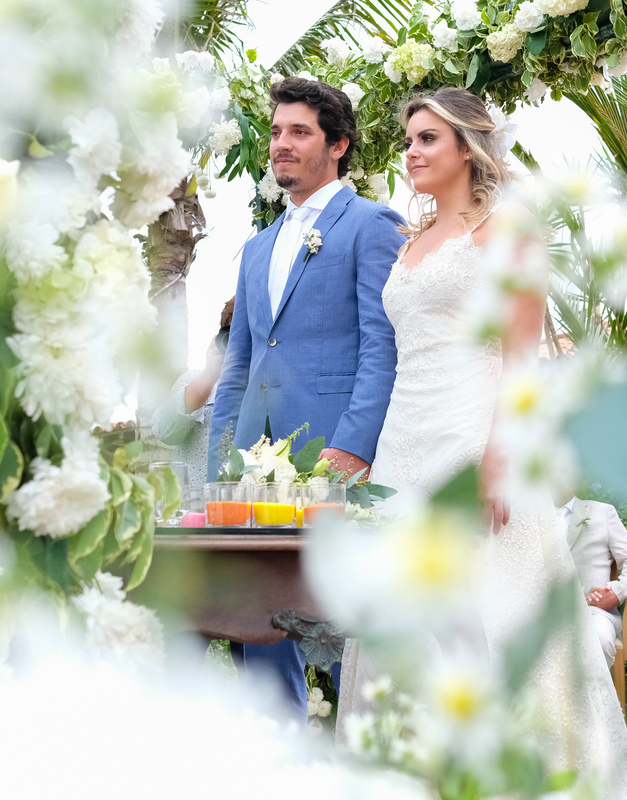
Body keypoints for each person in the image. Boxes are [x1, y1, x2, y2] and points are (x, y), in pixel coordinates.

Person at [335, 88, 627, 797]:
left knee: (488, 614)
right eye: (408, 140)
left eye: (427, 139)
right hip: (402, 445)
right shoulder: (410, 243)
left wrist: (498, 459)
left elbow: (522, 359)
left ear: (468, 147)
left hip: (472, 437)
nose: (411, 152)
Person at [208, 76, 405, 719]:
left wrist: (353, 446)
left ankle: (376, 749)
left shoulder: (372, 225)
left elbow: (381, 345)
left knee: (347, 618)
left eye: (299, 132)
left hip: (330, 452)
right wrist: (219, 462)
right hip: (251, 463)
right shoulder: (256, 247)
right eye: (275, 132)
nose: (281, 144)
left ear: (338, 145)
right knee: (257, 620)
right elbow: (239, 364)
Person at [560, 495, 627, 669]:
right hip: (542, 614)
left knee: (597, 638)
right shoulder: (529, 519)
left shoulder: (603, 512)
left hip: (594, 611)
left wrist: (616, 593)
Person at [151, 299, 233, 486]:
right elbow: (164, 431)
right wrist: (210, 375)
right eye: (233, 334)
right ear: (222, 338)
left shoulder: (272, 385)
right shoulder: (194, 379)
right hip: (197, 502)